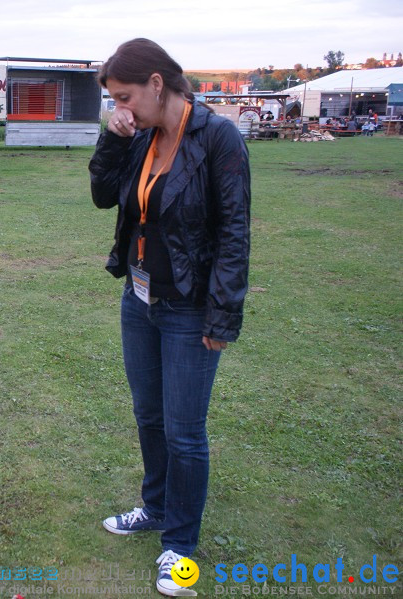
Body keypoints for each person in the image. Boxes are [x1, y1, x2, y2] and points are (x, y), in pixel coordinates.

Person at [88, 38, 251, 597]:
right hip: (139, 298)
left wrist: (223, 316)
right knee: (148, 415)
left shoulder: (218, 137)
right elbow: (103, 198)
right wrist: (113, 140)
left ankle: (180, 546)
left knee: (184, 433)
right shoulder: (139, 135)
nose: (121, 108)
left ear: (158, 83)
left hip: (189, 307)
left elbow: (233, 232)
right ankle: (156, 508)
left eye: (126, 97)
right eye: (113, 100)